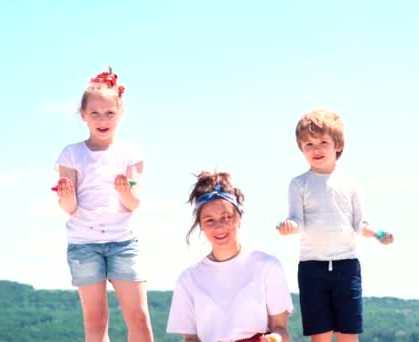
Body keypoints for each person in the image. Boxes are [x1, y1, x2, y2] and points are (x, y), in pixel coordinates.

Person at [276, 109, 394, 342]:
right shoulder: (298, 184)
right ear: (301, 148)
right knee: (320, 335)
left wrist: (378, 234)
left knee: (348, 334)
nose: (316, 149)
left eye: (323, 142)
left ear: (337, 145)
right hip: (312, 267)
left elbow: (359, 224)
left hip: (346, 267)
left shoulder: (350, 184)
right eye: (308, 144)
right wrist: (289, 226)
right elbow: (297, 221)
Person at [53, 66, 154, 342]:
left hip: (122, 241)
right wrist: (66, 196)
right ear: (83, 115)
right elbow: (69, 208)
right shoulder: (71, 154)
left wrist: (124, 191)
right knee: (96, 319)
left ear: (120, 114)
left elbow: (134, 203)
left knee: (140, 318)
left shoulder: (131, 154)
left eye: (109, 113)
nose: (102, 119)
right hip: (84, 244)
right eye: (95, 113)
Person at [167, 171, 293, 342]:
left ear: (239, 218)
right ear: (201, 225)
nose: (219, 227)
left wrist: (273, 340)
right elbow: (191, 338)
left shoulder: (268, 266)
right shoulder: (188, 279)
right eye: (209, 220)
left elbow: (281, 330)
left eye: (226, 217)